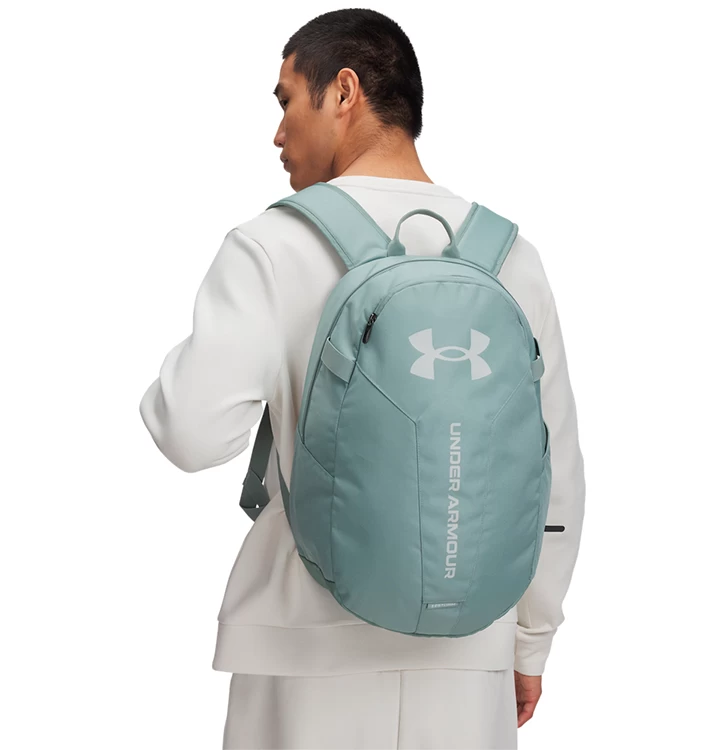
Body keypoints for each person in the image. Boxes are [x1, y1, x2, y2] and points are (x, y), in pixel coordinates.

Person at [138, 8, 586, 749]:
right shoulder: (512, 258)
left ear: (343, 91)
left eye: (286, 100)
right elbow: (553, 474)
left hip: (300, 653)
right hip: (469, 654)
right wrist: (530, 641)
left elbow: (191, 434)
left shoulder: (270, 244)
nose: (277, 133)